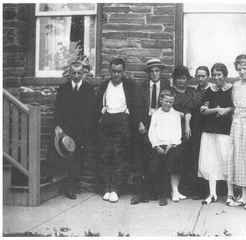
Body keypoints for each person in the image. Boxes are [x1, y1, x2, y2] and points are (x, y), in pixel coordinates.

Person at [95, 58, 137, 203]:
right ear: (110, 71)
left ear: (123, 72)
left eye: (119, 72)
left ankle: (116, 189)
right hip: (107, 122)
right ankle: (106, 188)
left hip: (122, 122)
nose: (116, 75)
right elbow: (97, 105)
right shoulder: (104, 86)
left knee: (120, 157)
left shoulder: (129, 86)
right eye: (113, 71)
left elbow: (135, 106)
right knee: (105, 156)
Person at [131, 58, 171, 204]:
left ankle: (162, 194)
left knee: (160, 158)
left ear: (160, 72)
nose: (154, 74)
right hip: (146, 123)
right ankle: (142, 193)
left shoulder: (167, 85)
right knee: (142, 159)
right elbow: (135, 106)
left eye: (157, 71)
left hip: (160, 124)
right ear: (148, 73)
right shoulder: (141, 86)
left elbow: (169, 106)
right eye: (152, 71)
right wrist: (140, 123)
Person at [54, 60, 96, 199]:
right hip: (67, 130)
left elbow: (91, 111)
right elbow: (58, 109)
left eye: (79, 73)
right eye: (74, 73)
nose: (77, 76)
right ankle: (69, 186)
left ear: (83, 73)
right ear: (70, 74)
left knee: (80, 157)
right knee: (68, 157)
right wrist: (58, 126)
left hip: (82, 130)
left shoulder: (88, 89)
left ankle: (76, 184)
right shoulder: (64, 88)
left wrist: (89, 130)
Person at [198, 63, 234, 205]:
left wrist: (227, 110)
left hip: (225, 130)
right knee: (211, 161)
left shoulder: (231, 90)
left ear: (225, 75)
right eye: (214, 75)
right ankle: (212, 193)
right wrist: (216, 110)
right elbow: (203, 110)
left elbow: (236, 106)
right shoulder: (209, 91)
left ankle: (230, 194)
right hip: (209, 130)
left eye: (219, 74)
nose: (216, 77)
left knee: (226, 161)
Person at [226, 55, 246, 209]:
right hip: (238, 123)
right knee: (239, 158)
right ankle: (244, 195)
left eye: (244, 68)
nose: (242, 72)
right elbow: (235, 105)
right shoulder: (236, 85)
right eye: (239, 69)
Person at [148, 89, 184, 206]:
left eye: (171, 102)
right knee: (155, 166)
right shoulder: (156, 114)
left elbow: (177, 132)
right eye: (166, 101)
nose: (169, 104)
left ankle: (171, 192)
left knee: (171, 163)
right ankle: (157, 193)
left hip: (172, 145)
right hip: (158, 145)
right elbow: (152, 131)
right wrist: (156, 145)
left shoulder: (175, 115)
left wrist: (170, 145)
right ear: (161, 101)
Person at [170, 65, 197, 201]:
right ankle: (174, 189)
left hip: (191, 130)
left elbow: (195, 109)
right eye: (178, 78)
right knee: (175, 159)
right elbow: (168, 108)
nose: (181, 81)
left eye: (184, 78)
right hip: (174, 129)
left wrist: (188, 119)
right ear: (174, 79)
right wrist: (185, 116)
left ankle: (186, 189)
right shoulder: (170, 92)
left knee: (189, 158)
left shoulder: (192, 92)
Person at [189, 66, 211, 199]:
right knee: (197, 157)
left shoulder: (212, 90)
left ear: (208, 76)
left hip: (209, 126)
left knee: (209, 157)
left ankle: (211, 189)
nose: (201, 78)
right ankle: (198, 189)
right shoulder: (193, 92)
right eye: (198, 76)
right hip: (197, 126)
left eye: (203, 76)